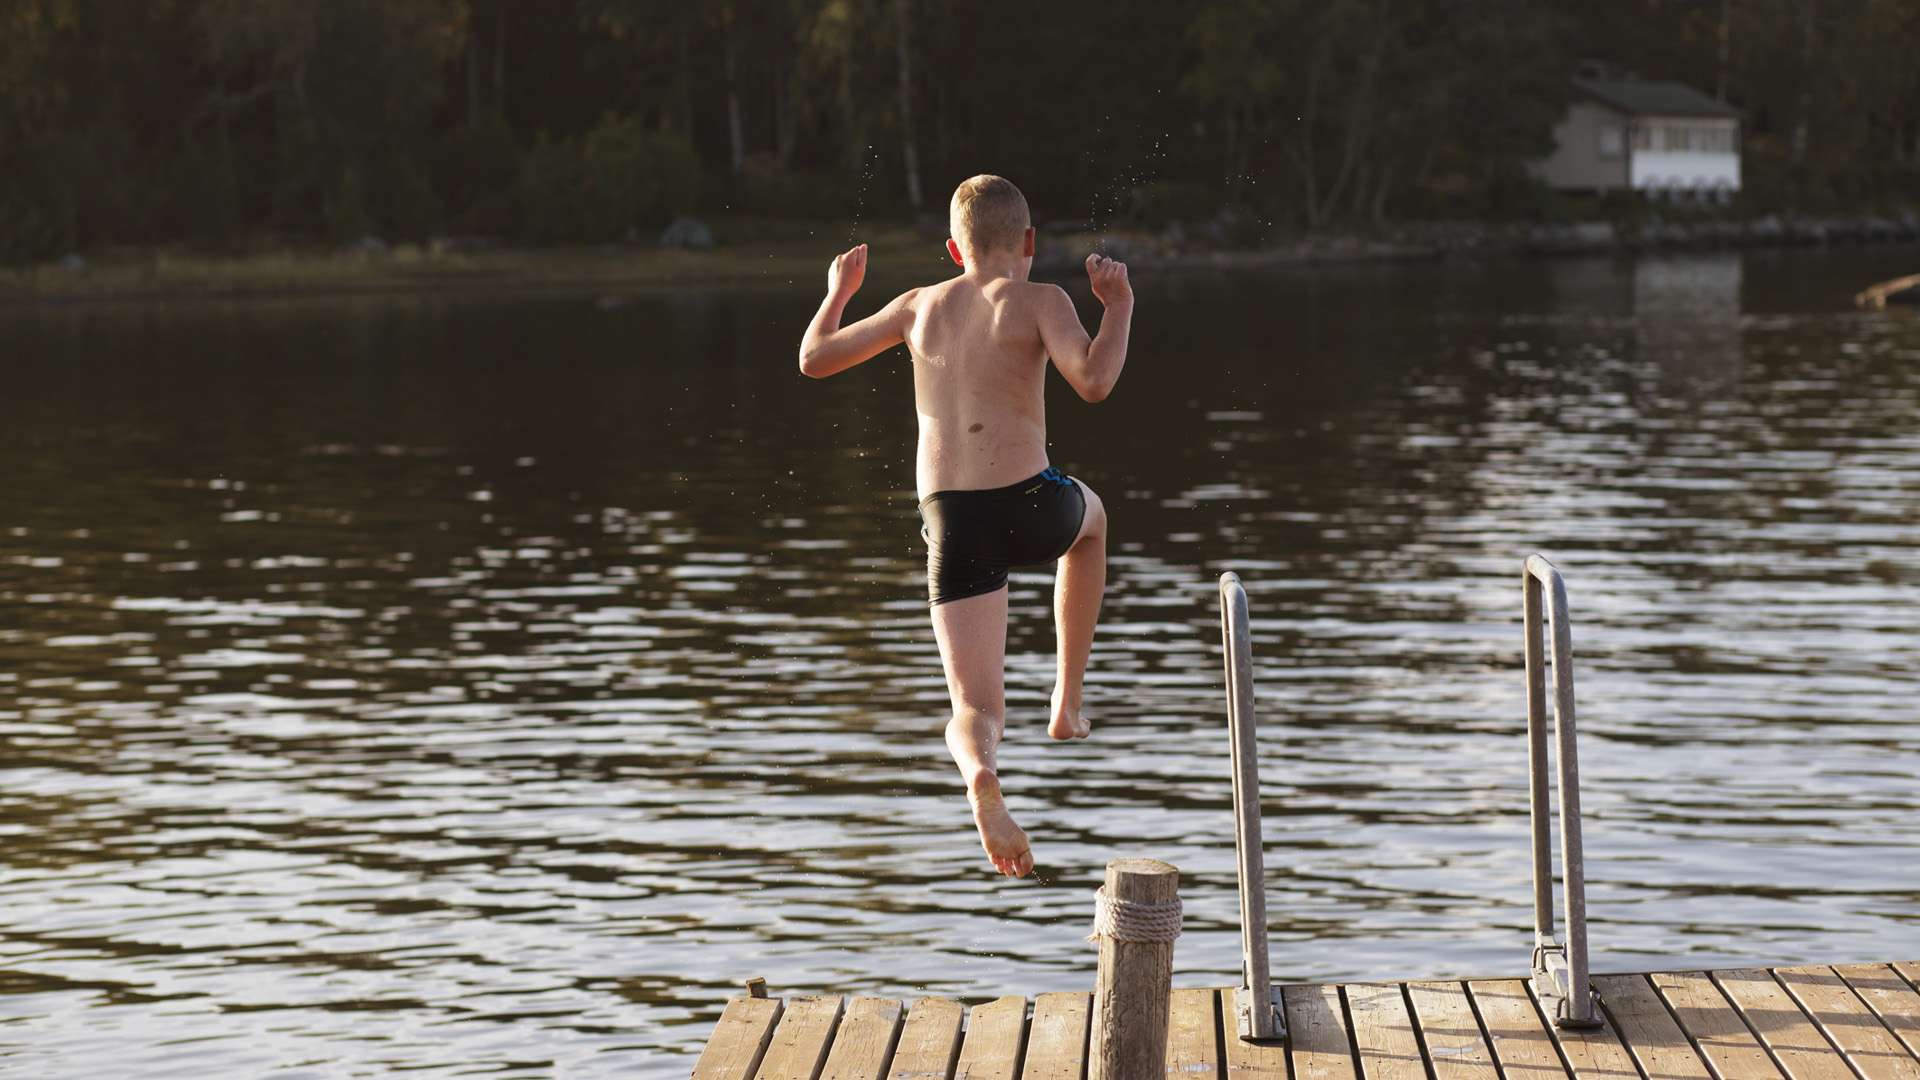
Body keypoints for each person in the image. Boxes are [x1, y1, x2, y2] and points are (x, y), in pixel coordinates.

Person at [796, 174, 1134, 878]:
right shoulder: (1041, 298)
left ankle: (981, 774)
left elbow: (814, 359)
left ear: (954, 248)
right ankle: (1067, 701)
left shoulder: (915, 307)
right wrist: (1119, 306)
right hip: (1031, 503)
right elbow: (1096, 382)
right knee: (1094, 524)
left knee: (974, 706)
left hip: (951, 522)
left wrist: (839, 289)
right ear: (1031, 243)